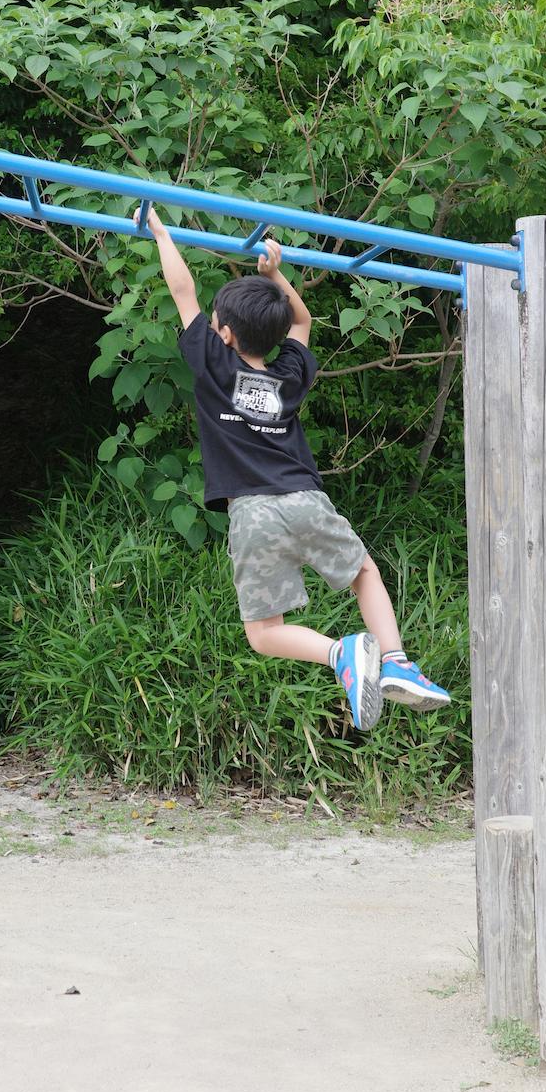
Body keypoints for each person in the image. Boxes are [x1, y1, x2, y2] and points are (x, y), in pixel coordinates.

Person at [140, 207, 450, 730]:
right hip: (306, 500)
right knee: (364, 574)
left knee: (264, 634)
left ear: (227, 337)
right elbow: (303, 321)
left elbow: (181, 291)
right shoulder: (290, 374)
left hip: (253, 513)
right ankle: (396, 662)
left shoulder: (215, 366)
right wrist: (275, 276)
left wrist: (159, 231)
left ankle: (340, 654)